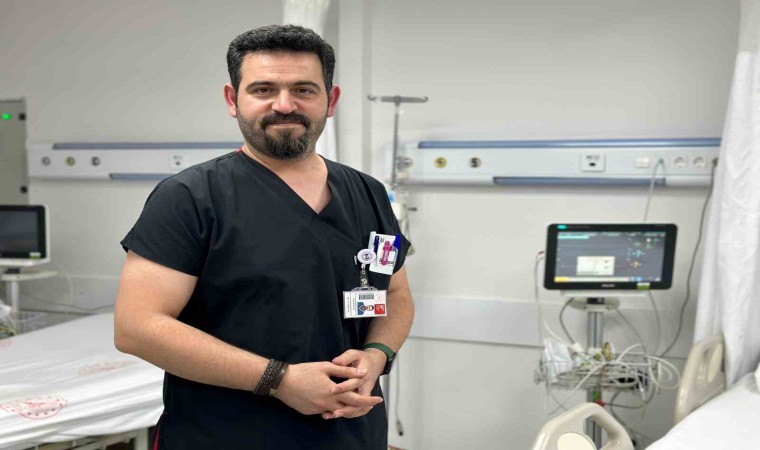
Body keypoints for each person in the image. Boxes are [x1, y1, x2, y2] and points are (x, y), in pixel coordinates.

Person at [114, 24, 414, 449]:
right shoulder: (190, 197)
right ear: (232, 99)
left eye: (304, 90)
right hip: (225, 436)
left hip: (351, 434)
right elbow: (137, 327)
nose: (284, 105)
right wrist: (279, 379)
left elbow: (395, 294)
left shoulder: (367, 193)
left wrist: (377, 354)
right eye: (263, 89)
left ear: (331, 100)